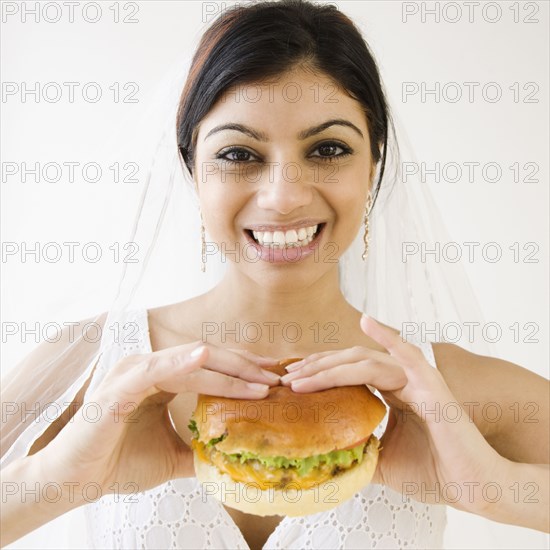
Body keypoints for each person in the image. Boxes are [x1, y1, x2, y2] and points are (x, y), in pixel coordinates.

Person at [1, 0, 548, 548]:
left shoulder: (441, 392)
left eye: (328, 149)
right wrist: (54, 482)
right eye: (239, 154)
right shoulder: (95, 368)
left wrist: (497, 489)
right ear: (191, 171)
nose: (283, 197)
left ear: (374, 165)